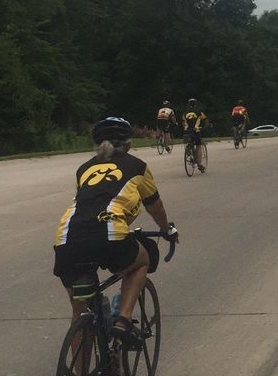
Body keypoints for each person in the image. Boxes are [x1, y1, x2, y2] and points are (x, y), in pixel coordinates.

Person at [53, 116, 179, 343]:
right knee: (141, 260)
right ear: (129, 144)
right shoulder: (137, 166)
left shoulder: (84, 169)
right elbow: (155, 206)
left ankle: (80, 365)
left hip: (67, 237)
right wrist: (166, 229)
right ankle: (123, 320)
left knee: (80, 312)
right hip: (110, 232)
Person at [183, 98, 209, 172]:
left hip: (187, 131)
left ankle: (188, 151)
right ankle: (199, 164)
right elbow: (205, 120)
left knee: (188, 143)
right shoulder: (199, 112)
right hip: (196, 131)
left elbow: (183, 123)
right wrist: (205, 126)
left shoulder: (184, 113)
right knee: (198, 146)